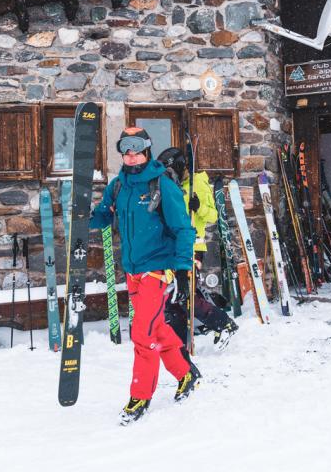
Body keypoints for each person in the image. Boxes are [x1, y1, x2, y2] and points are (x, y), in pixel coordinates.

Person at [90, 127, 202, 425]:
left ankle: (140, 395)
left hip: (157, 269)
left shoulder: (161, 184)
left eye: (136, 149)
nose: (131, 155)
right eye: (125, 150)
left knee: (141, 333)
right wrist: (84, 215)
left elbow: (183, 230)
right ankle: (186, 373)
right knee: (156, 328)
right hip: (133, 270)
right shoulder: (117, 186)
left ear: (147, 150)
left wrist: (181, 270)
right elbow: (102, 216)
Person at [157, 147, 239, 354]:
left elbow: (212, 216)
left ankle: (223, 323)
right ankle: (178, 342)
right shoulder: (171, 186)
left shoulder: (198, 183)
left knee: (185, 294)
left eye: (171, 171)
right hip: (174, 248)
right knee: (174, 295)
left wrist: (199, 206)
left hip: (193, 247)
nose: (170, 176)